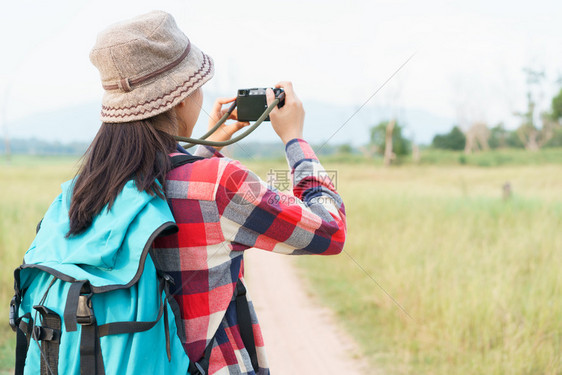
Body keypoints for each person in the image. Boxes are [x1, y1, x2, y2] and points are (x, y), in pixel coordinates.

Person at [79, 10, 347, 374]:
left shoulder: (89, 185)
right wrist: (295, 140)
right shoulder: (219, 183)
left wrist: (207, 146)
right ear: (179, 99)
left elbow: (169, 183)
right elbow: (330, 231)